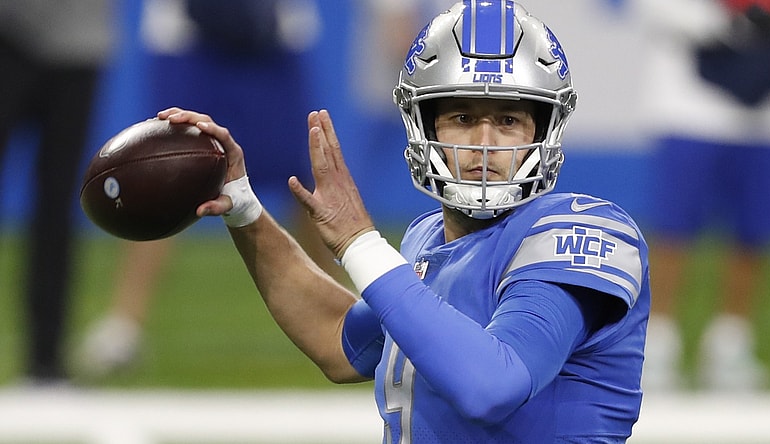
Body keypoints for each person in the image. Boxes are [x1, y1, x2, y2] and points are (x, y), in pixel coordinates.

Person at [164, 1, 650, 441]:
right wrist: (245, 208)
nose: (484, 143)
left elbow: (493, 385)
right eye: (462, 117)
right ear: (423, 124)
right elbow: (339, 339)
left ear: (543, 130)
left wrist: (359, 243)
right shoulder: (426, 239)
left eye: (508, 120)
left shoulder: (584, 231)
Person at [75, 0, 337, 379]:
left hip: (274, 30)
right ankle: (125, 321)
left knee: (301, 174)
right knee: (157, 172)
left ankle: (342, 309)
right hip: (185, 32)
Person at [633, 0, 770, 391]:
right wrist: (729, 27)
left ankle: (730, 345)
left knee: (754, 232)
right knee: (674, 228)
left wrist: (769, 24)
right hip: (690, 106)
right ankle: (657, 345)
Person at [0, 0, 115, 384]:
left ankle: (45, 360)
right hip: (9, 35)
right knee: (55, 207)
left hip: (78, 46)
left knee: (57, 208)